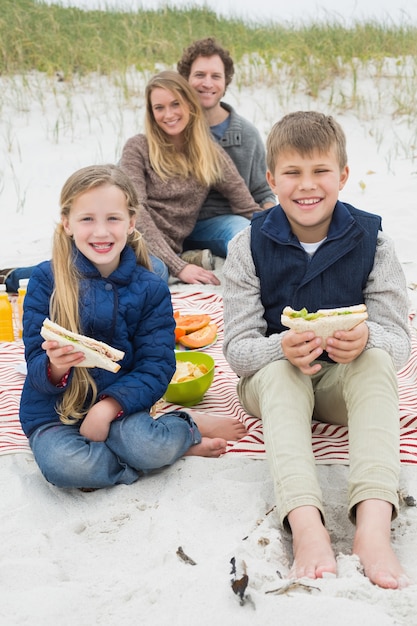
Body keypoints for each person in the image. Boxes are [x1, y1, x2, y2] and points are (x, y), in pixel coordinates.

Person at [222, 111, 412, 589]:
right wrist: (280, 349)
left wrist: (368, 338)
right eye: (292, 173)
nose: (307, 186)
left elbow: (399, 341)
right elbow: (238, 350)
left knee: (374, 362)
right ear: (271, 179)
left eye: (320, 171)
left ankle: (372, 526)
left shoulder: (374, 241)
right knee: (284, 375)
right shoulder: (248, 245)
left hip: (339, 390)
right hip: (270, 385)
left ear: (343, 175)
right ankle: (307, 526)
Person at [19, 164, 246, 490]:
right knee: (64, 467)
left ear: (131, 222)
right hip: (55, 412)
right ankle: (166, 455)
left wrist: (108, 408)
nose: (101, 232)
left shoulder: (150, 287)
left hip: (123, 405)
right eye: (87, 219)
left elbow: (157, 365)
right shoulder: (45, 281)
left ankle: (183, 426)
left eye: (112, 218)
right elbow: (33, 360)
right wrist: (55, 366)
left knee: (146, 445)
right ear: (67, 223)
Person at [120, 70, 260, 286]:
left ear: (189, 104)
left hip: (169, 249)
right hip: (132, 239)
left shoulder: (209, 153)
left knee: (245, 232)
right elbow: (135, 210)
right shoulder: (138, 147)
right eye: (159, 107)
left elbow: (245, 205)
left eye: (175, 104)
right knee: (155, 272)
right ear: (151, 113)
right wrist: (179, 266)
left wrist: (292, 230)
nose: (168, 114)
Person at [177, 37, 276, 258]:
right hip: (171, 223)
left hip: (225, 222)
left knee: (245, 235)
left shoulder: (247, 134)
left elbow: (263, 190)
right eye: (200, 75)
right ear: (186, 79)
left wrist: (272, 219)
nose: (207, 83)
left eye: (216, 76)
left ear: (225, 82)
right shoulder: (170, 125)